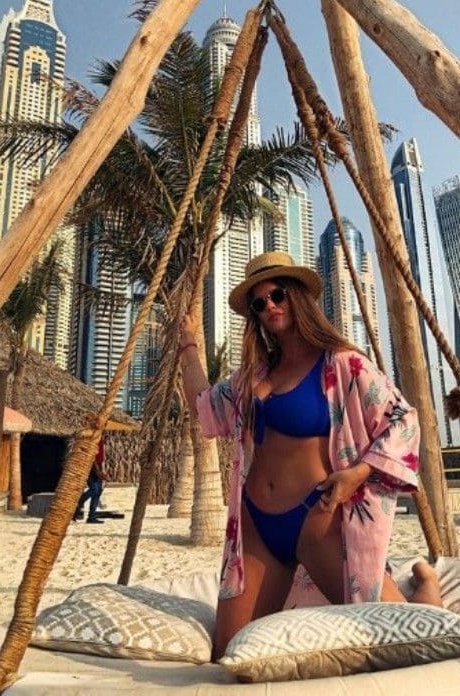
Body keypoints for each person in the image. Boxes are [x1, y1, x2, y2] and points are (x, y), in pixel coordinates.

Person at [180, 251, 442, 659]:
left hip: (315, 516)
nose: (270, 306)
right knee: (227, 653)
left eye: (278, 295)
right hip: (255, 525)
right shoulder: (255, 374)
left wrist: (359, 473)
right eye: (259, 303)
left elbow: (403, 420)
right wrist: (187, 344)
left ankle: (426, 587)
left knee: (401, 636)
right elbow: (206, 409)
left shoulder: (342, 363)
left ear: (298, 296)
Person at [74, 436, 106, 524]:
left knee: (98, 491)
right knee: (94, 489)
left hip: (98, 466)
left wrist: (102, 470)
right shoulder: (93, 438)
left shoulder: (101, 439)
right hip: (90, 466)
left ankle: (91, 517)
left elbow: (101, 457)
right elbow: (91, 456)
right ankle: (78, 504)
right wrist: (98, 470)